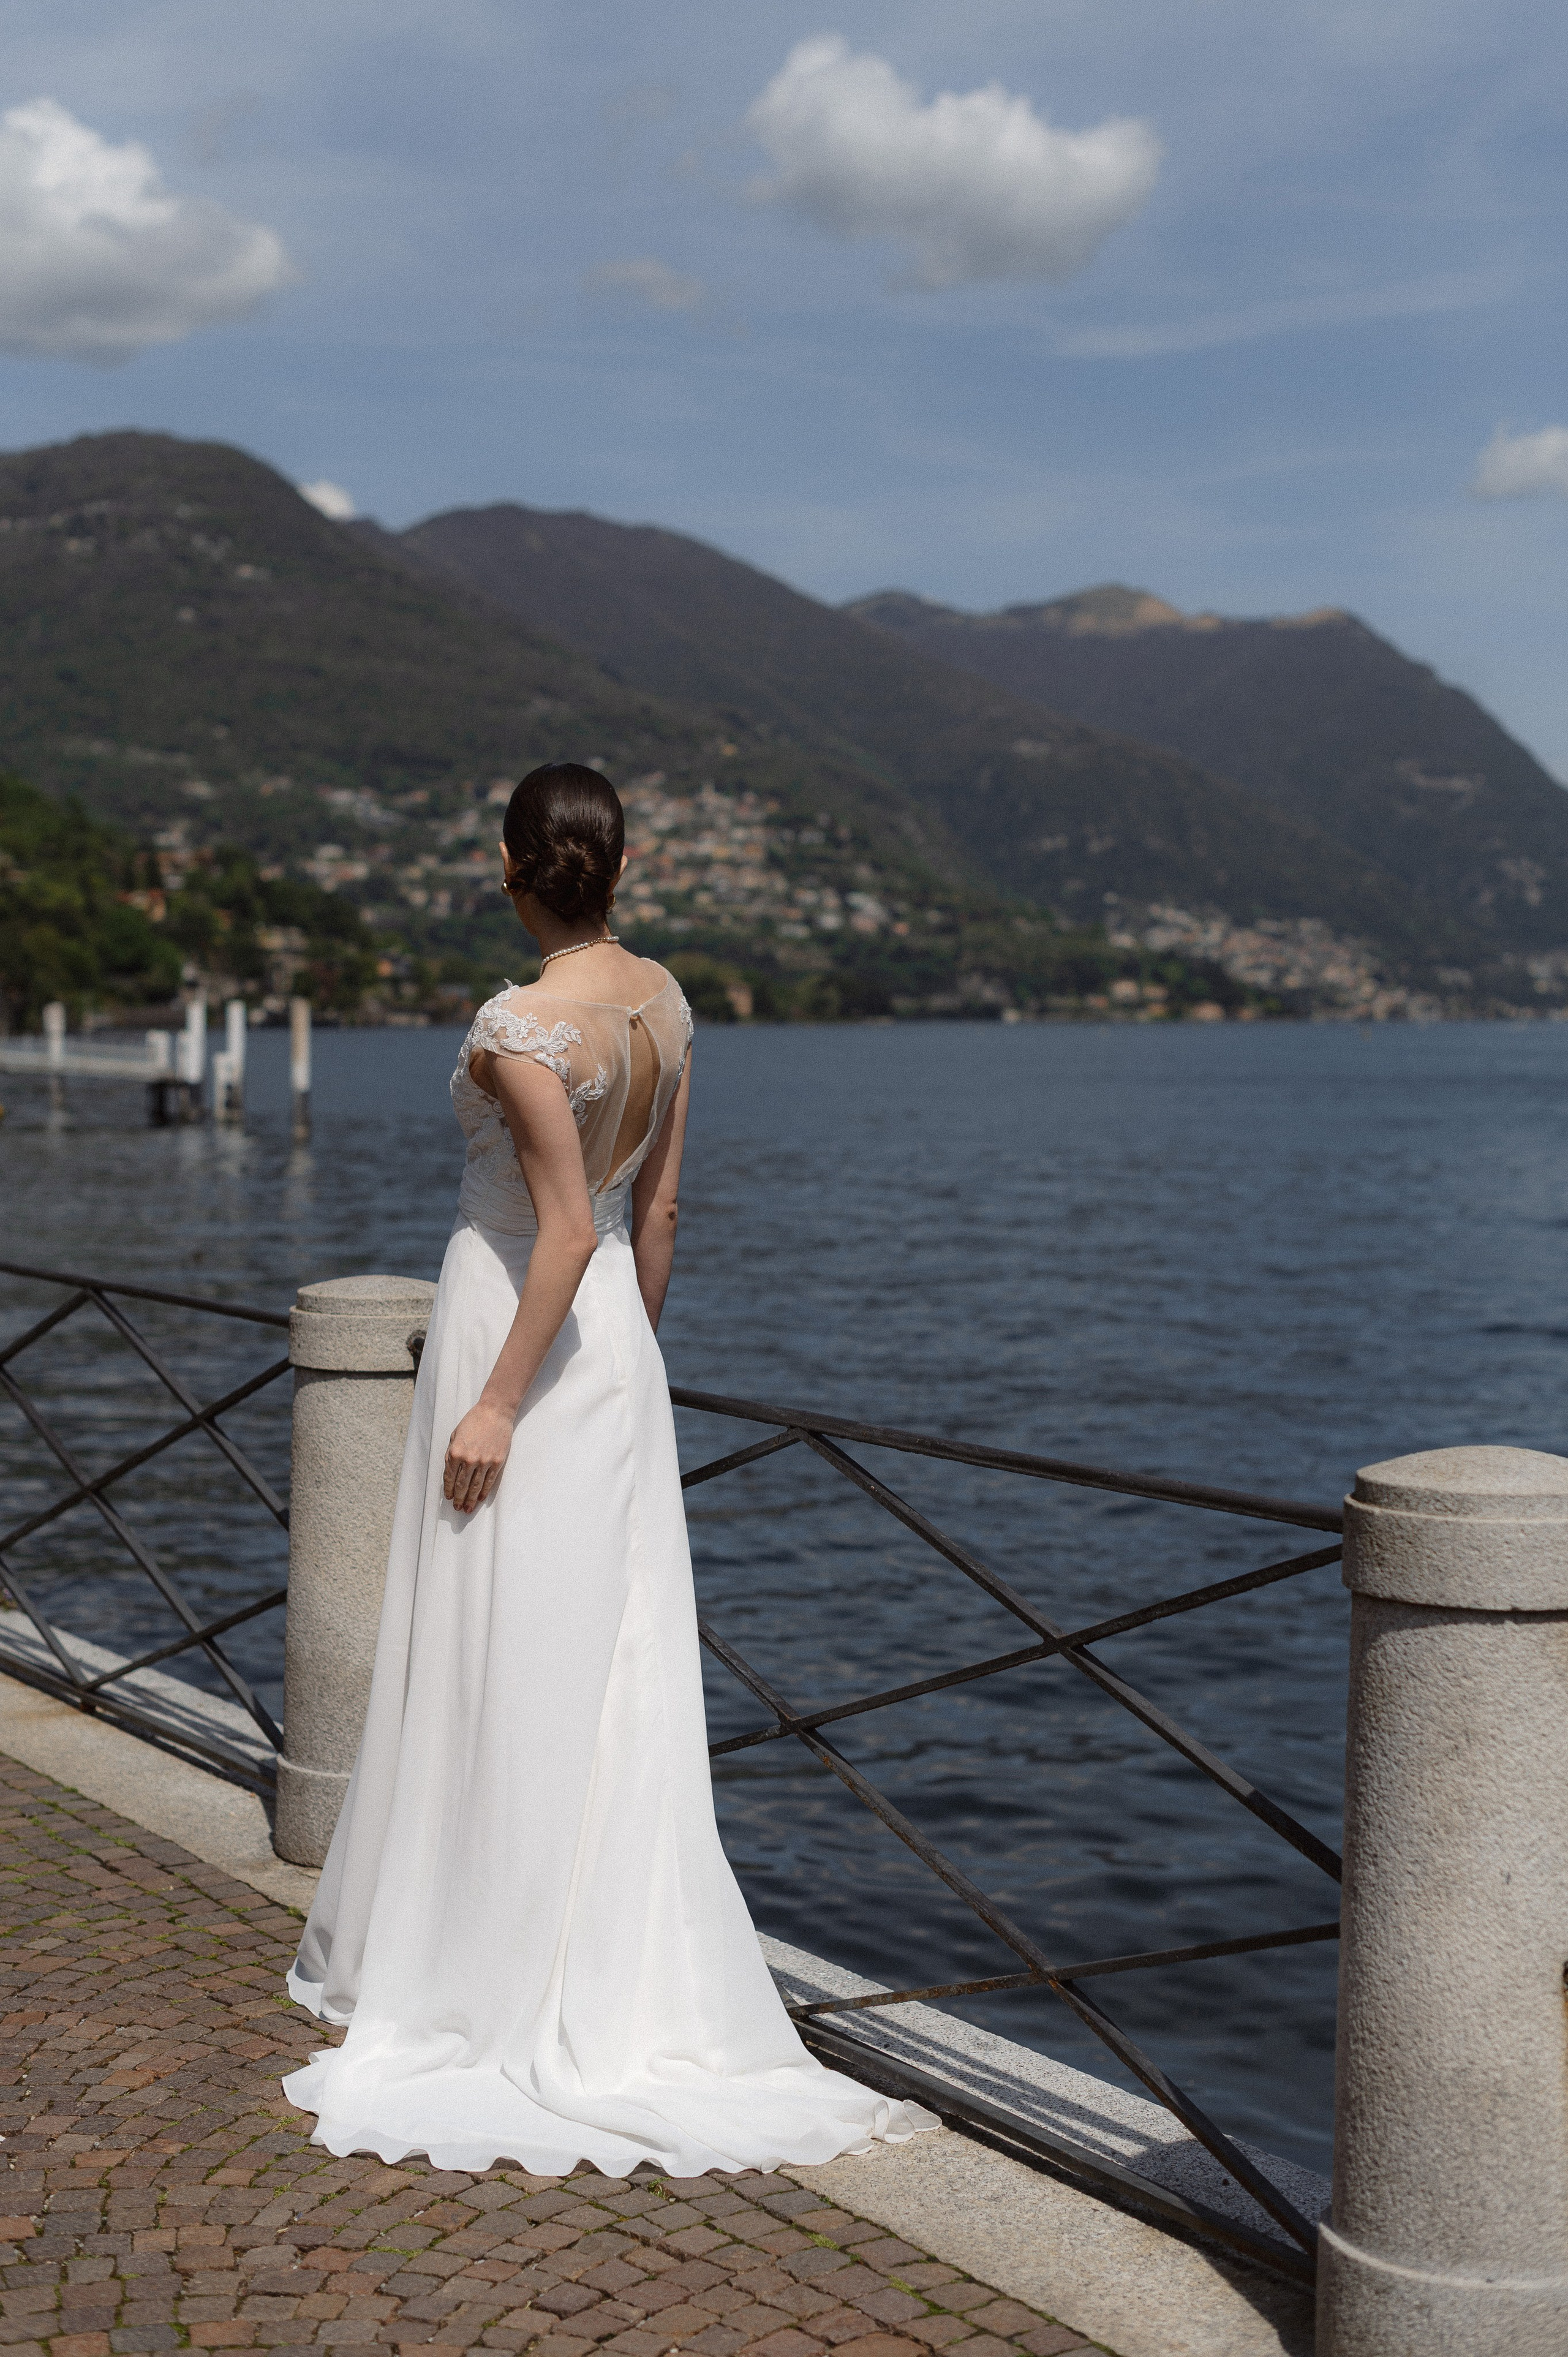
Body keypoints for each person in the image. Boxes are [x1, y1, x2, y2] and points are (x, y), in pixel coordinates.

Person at [282, 763, 937, 2174]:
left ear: (517, 867)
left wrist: (501, 1405)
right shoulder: (666, 1002)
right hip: (612, 1359)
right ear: (618, 867)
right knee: (600, 1658)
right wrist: (626, 1362)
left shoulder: (520, 1025)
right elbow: (662, 1208)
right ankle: (588, 1943)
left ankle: (484, 1963)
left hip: (513, 1336)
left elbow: (562, 1225)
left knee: (498, 1644)